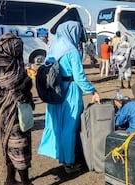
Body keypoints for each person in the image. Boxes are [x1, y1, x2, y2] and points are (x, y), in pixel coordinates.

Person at [0, 33, 43, 185]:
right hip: (5, 110)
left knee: (11, 144)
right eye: (16, 47)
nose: (19, 50)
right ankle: (26, 184)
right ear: (8, 45)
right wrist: (9, 95)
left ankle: (10, 180)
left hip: (20, 108)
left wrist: (26, 82)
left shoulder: (15, 59)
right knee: (17, 144)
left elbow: (21, 80)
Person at [37, 21, 101, 174]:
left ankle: (63, 155)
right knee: (70, 127)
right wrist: (93, 91)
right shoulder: (72, 51)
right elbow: (79, 78)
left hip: (54, 91)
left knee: (57, 125)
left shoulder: (53, 47)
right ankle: (69, 163)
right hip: (70, 91)